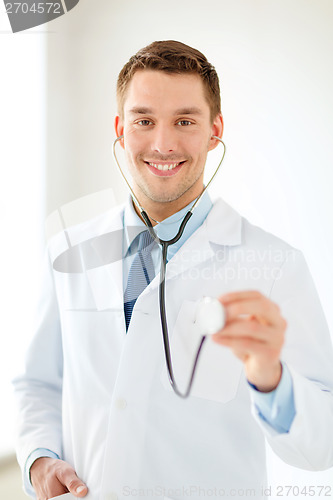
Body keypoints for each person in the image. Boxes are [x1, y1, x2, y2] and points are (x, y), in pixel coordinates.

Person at [13, 40, 333, 500]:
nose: (163, 144)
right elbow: (38, 382)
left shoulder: (275, 265)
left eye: (185, 121)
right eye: (144, 121)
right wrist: (38, 459)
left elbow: (321, 446)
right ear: (121, 130)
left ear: (214, 130)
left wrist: (272, 378)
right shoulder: (69, 250)